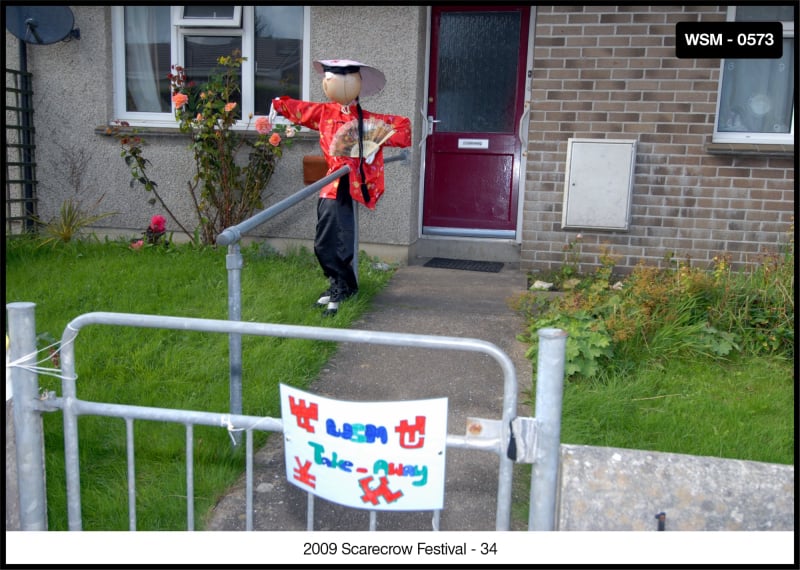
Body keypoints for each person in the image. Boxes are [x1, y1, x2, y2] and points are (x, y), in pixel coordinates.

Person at [271, 59, 411, 316]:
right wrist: (279, 104)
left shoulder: (367, 119)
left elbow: (403, 129)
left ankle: (342, 288)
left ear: (356, 86)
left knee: (340, 242)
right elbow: (299, 109)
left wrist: (373, 142)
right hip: (331, 185)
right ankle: (340, 284)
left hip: (350, 185)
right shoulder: (324, 113)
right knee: (324, 242)